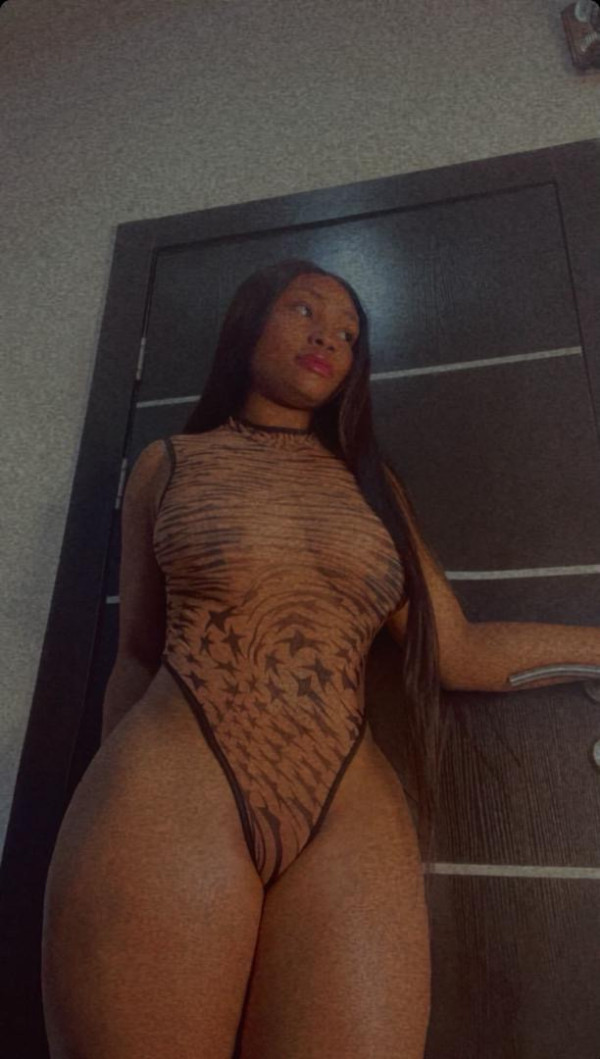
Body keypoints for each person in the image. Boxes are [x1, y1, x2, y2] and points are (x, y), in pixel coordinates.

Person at [41, 258, 600, 1059]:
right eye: (304, 310)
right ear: (248, 322)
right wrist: (113, 804)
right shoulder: (169, 462)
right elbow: (135, 650)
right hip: (174, 782)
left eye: (347, 333)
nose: (328, 338)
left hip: (345, 799)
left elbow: (458, 650)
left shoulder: (373, 486)